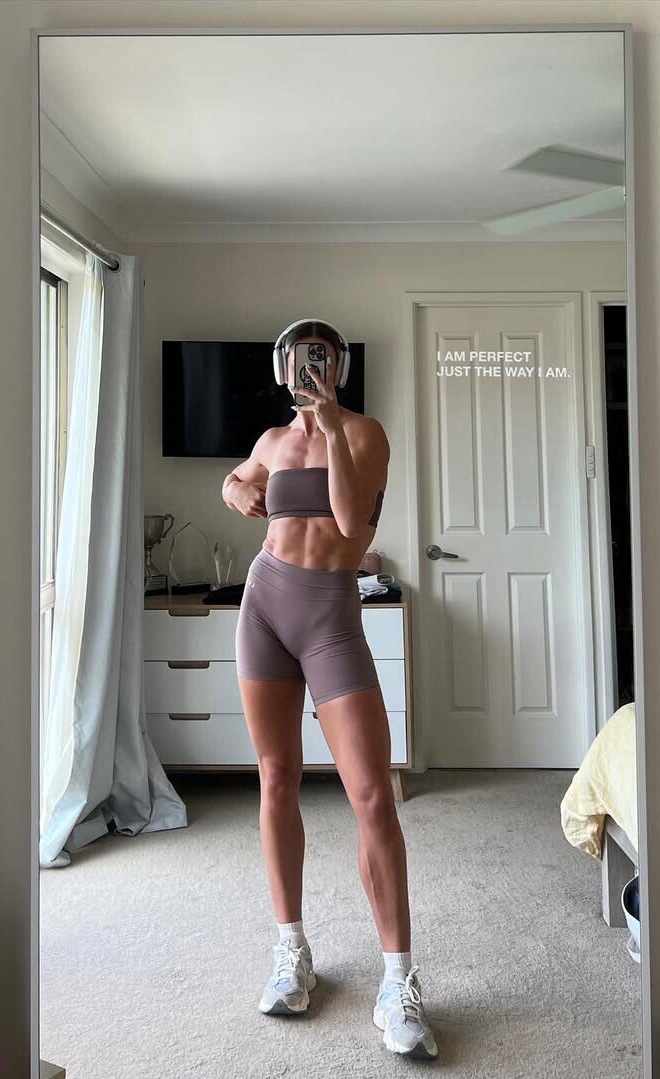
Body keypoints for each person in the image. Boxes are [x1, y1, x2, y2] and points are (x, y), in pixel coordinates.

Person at [221, 319, 438, 1059]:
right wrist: (235, 488)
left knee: (372, 794)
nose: (309, 369)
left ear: (337, 366)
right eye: (298, 359)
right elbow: (238, 478)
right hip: (265, 605)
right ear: (281, 367)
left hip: (330, 618)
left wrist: (333, 422)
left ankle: (398, 980)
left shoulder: (366, 433)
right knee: (275, 776)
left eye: (322, 358)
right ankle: (291, 949)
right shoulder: (271, 441)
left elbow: (348, 521)